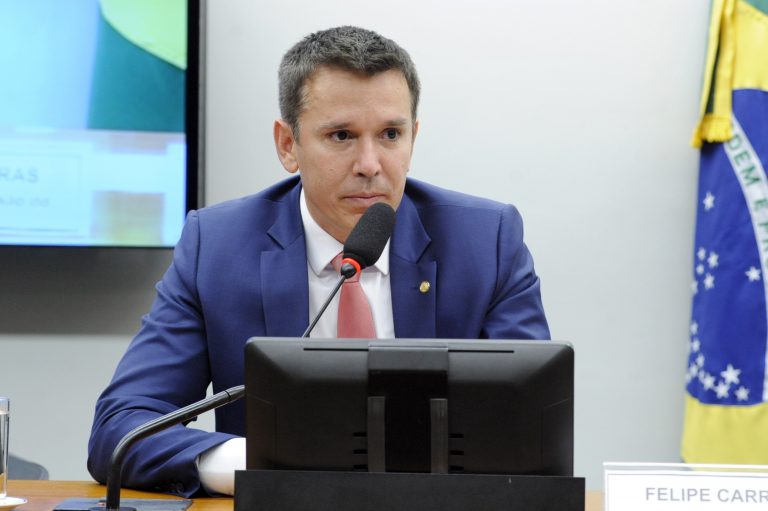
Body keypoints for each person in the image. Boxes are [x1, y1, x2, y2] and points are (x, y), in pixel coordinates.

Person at [87, 25, 550, 497]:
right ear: (288, 145)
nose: (370, 164)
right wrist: (258, 465)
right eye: (342, 135)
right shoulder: (218, 247)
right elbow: (121, 430)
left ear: (414, 137)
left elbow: (534, 428)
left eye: (391, 134)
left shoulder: (486, 242)